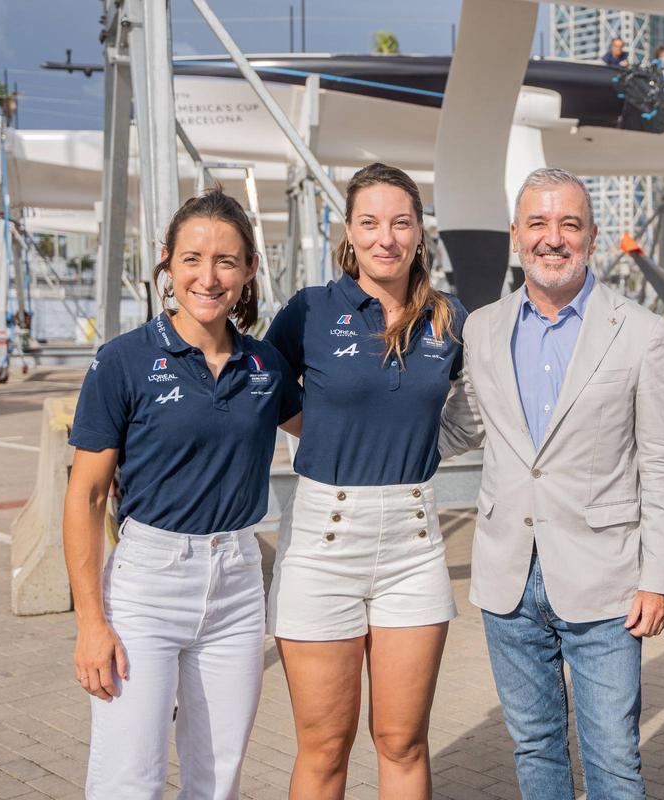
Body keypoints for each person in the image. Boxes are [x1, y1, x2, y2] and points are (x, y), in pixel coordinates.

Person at [440, 167, 664, 799]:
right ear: (517, 235)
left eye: (569, 224)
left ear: (592, 236)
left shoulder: (641, 333)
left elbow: (662, 462)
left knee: (613, 760)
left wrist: (661, 578)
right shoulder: (482, 328)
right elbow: (462, 429)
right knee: (535, 748)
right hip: (506, 577)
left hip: (607, 579)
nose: (554, 238)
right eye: (539, 224)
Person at [63, 188, 303, 799]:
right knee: (128, 777)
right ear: (166, 263)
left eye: (227, 261)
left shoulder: (266, 365)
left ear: (249, 269)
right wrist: (91, 622)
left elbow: (334, 432)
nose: (209, 276)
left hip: (238, 581)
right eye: (193, 258)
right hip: (147, 584)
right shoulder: (122, 361)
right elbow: (87, 497)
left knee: (217, 779)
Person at [264, 163, 464, 799]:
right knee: (325, 747)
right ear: (349, 233)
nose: (386, 238)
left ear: (419, 233)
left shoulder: (447, 318)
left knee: (402, 741)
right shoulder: (312, 310)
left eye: (400, 222)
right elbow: (262, 387)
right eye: (370, 223)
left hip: (413, 540)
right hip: (324, 540)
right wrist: (322, 430)